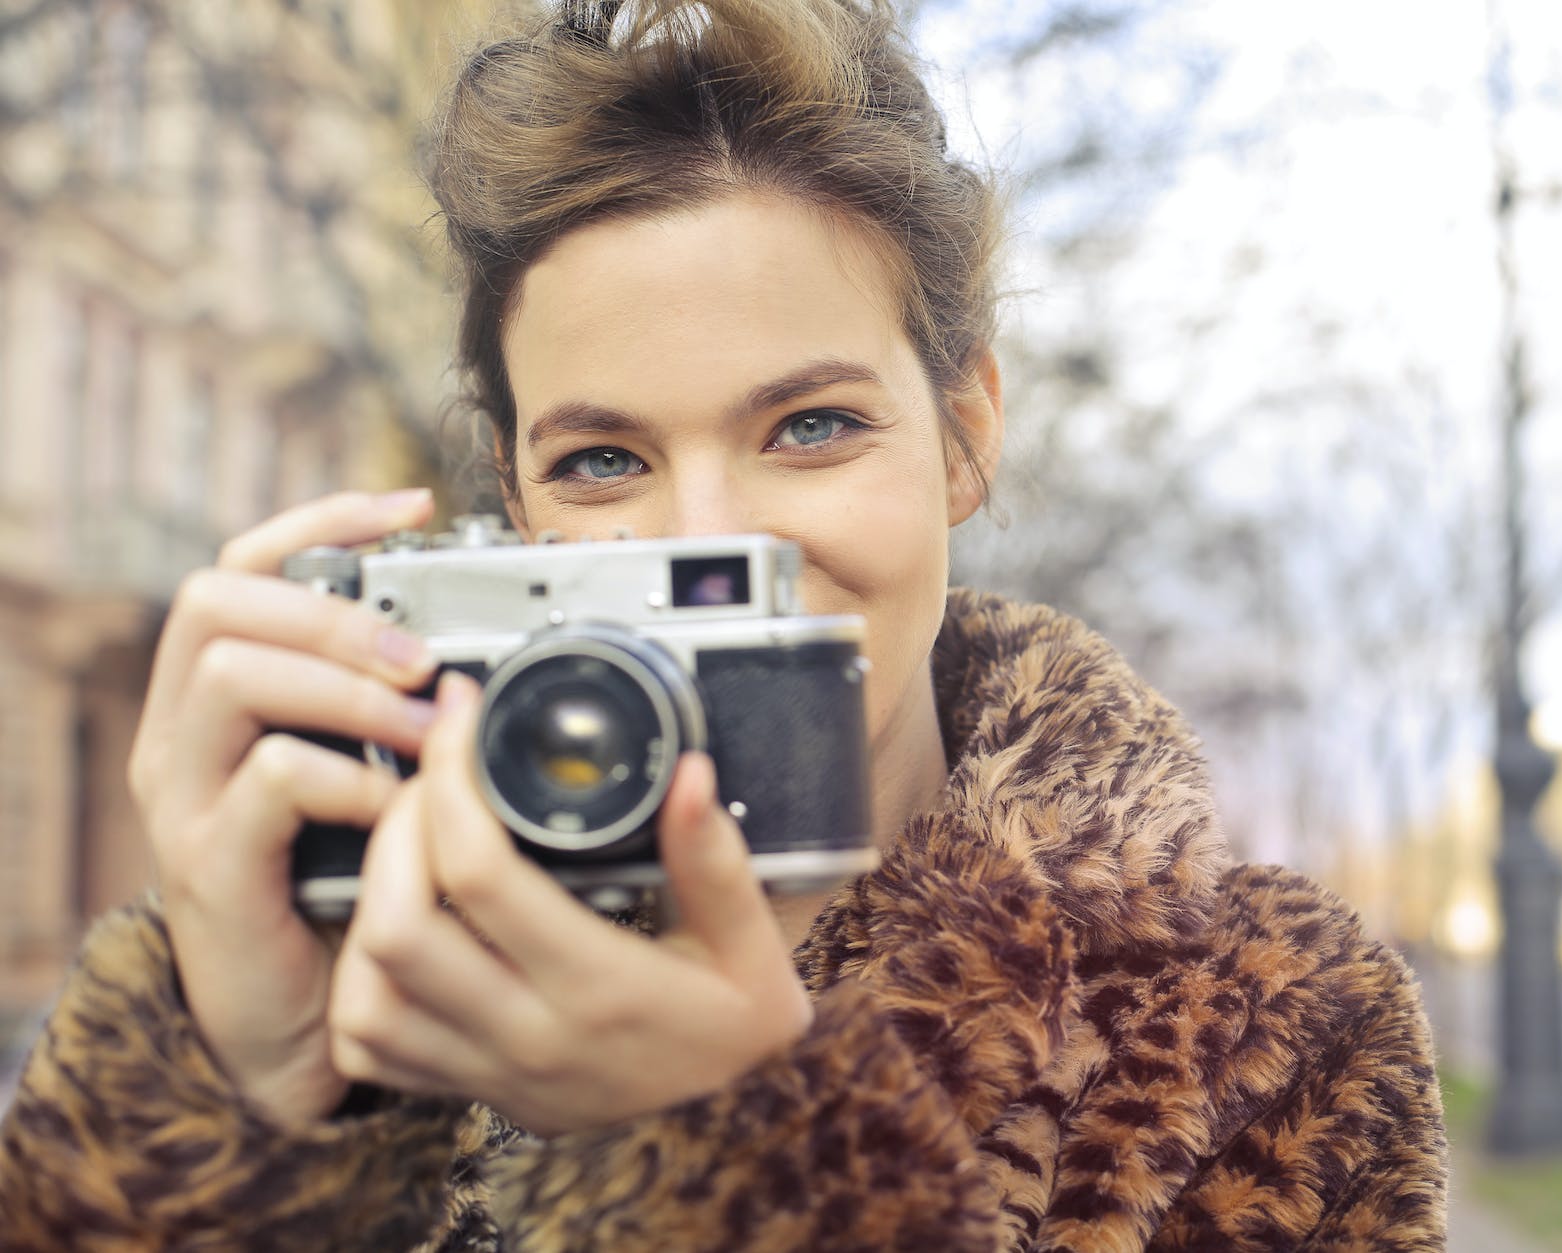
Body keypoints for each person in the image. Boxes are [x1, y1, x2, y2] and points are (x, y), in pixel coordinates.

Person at [0, 2, 1447, 1248]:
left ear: (963, 436)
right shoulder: (383, 979)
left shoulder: (1260, 1028)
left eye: (810, 426)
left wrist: (744, 1167)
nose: (709, 538)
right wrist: (226, 1102)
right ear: (513, 504)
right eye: (603, 460)